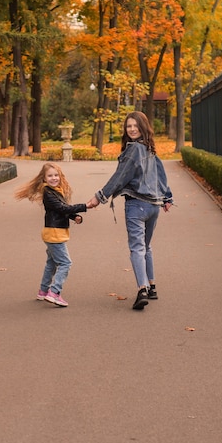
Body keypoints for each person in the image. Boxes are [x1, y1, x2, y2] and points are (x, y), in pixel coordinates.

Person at [87, 111, 173, 311]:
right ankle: (152, 286)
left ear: (143, 128)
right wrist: (167, 197)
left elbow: (120, 177)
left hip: (137, 205)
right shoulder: (150, 148)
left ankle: (141, 290)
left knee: (137, 248)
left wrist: (99, 197)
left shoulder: (134, 149)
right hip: (154, 207)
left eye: (135, 126)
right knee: (146, 246)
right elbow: (161, 175)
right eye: (129, 126)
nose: (132, 129)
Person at [15, 162, 91, 307]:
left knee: (51, 263)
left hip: (53, 232)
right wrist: (85, 206)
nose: (54, 178)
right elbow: (61, 208)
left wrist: (74, 216)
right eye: (50, 176)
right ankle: (54, 293)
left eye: (56, 175)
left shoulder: (56, 191)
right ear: (44, 178)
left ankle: (43, 291)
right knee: (65, 263)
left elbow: (61, 210)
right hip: (54, 234)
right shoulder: (48, 193)